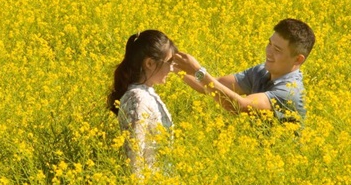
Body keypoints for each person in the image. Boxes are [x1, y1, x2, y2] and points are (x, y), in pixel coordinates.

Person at [174, 18, 315, 122]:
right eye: (269, 44)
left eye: (277, 50)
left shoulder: (290, 92)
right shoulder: (261, 71)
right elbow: (210, 85)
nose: (268, 52)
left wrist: (199, 72)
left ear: (298, 60)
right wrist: (173, 66)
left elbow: (240, 106)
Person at [107, 30, 177, 176]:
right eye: (169, 62)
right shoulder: (137, 99)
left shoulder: (147, 94)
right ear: (150, 63)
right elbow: (134, 156)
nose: (172, 69)